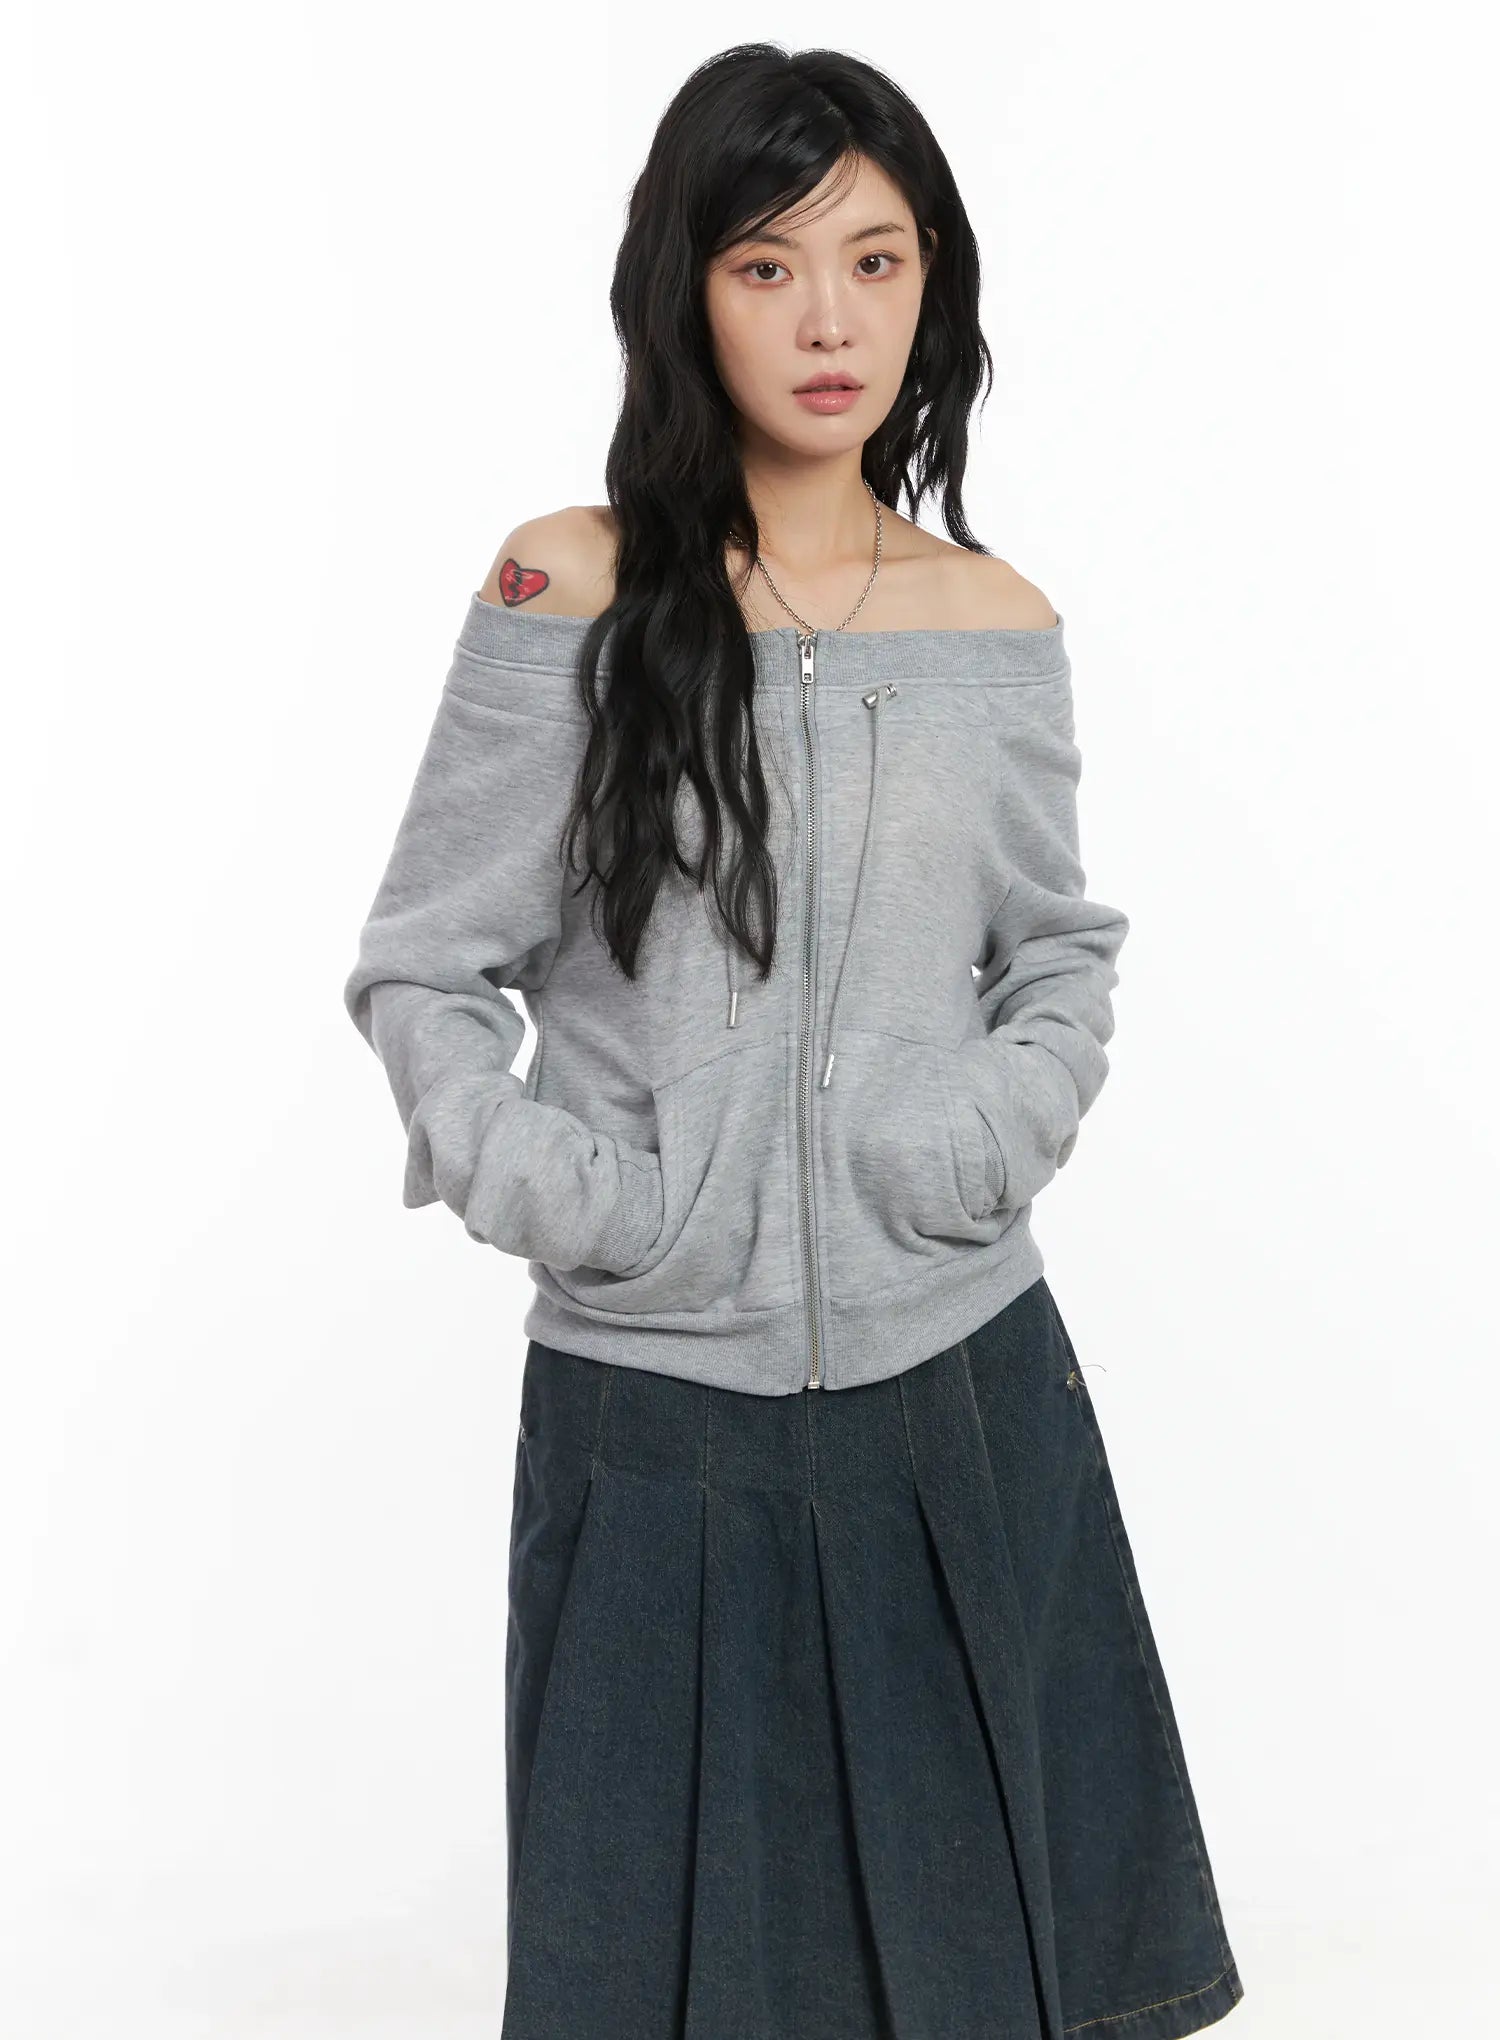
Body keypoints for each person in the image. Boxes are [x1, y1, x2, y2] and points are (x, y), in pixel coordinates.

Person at [341, 41, 1245, 2040]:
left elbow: (1058, 949)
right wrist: (587, 1199)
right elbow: (424, 965)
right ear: (686, 287)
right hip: (656, 1406)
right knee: (663, 1966)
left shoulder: (993, 622)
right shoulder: (567, 584)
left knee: (976, 1951)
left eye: (875, 258)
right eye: (767, 263)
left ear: (932, 287)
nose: (830, 317)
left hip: (962, 1383)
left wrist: (978, 1141)